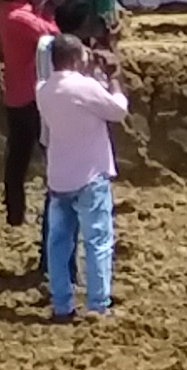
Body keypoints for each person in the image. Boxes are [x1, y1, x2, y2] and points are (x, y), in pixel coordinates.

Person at [38, 34, 128, 323]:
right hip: (90, 175)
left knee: (59, 242)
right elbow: (118, 110)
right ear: (77, 58)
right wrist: (113, 79)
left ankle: (62, 304)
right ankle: (98, 304)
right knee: (97, 240)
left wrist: (88, 73)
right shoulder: (85, 86)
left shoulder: (43, 89)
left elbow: (78, 94)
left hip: (59, 176)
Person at [0, 0, 57, 244]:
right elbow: (52, 36)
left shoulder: (8, 13)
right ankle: (33, 206)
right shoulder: (21, 17)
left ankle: (15, 211)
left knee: (17, 156)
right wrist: (46, 9)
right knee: (44, 151)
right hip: (30, 95)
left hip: (17, 92)